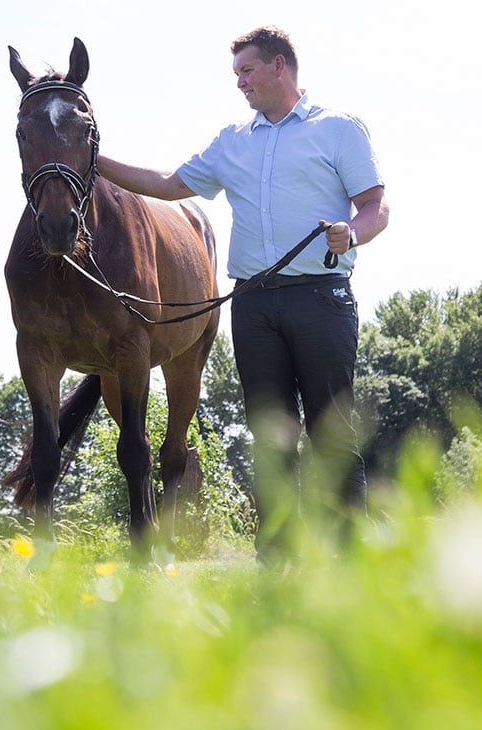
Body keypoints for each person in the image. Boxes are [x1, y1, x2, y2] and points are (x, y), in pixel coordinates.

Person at [97, 26, 390, 563]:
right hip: (253, 304)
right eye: (236, 75)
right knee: (271, 432)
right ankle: (276, 559)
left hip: (322, 298)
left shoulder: (338, 130)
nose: (240, 84)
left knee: (330, 426)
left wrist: (354, 230)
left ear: (281, 66)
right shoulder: (233, 141)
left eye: (247, 71)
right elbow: (167, 182)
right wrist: (91, 159)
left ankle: (348, 558)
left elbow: (376, 206)